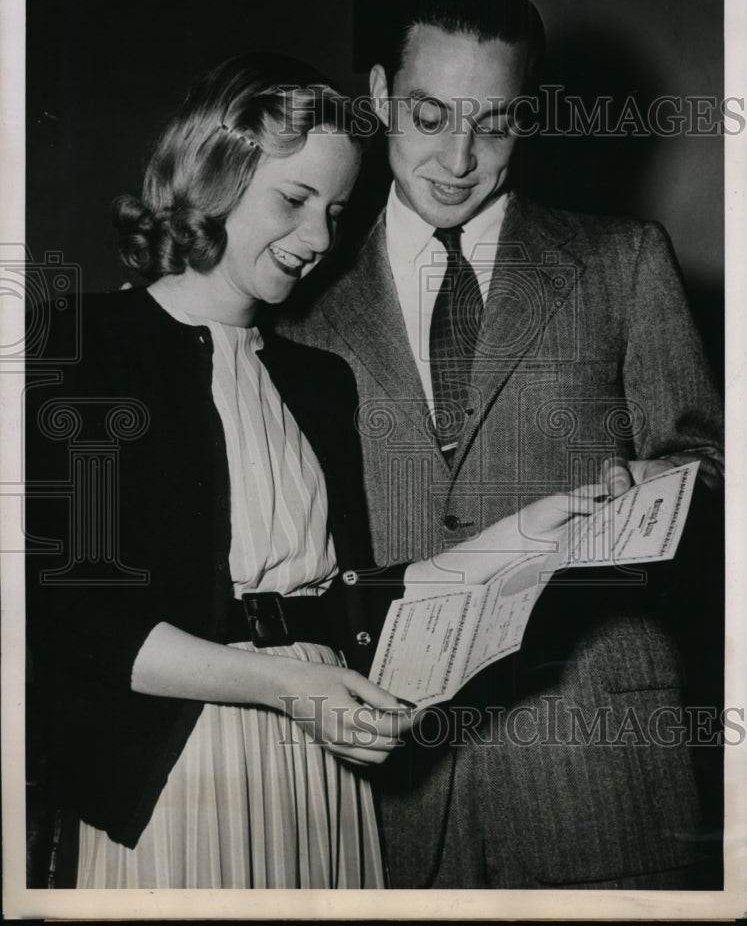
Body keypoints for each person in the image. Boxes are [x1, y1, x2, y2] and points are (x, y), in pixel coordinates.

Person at [25, 50, 594, 890]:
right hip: (182, 771)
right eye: (293, 201)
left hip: (318, 765)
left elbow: (344, 598)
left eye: (334, 209)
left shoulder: (316, 381)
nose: (319, 241)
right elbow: (69, 616)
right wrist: (281, 686)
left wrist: (518, 539)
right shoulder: (78, 345)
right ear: (212, 173)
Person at [275, 0, 725, 888]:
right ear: (377, 97)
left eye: (496, 122)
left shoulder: (622, 261)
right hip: (386, 799)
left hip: (598, 778)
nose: (458, 159)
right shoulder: (299, 306)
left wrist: (664, 490)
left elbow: (709, 468)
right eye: (430, 117)